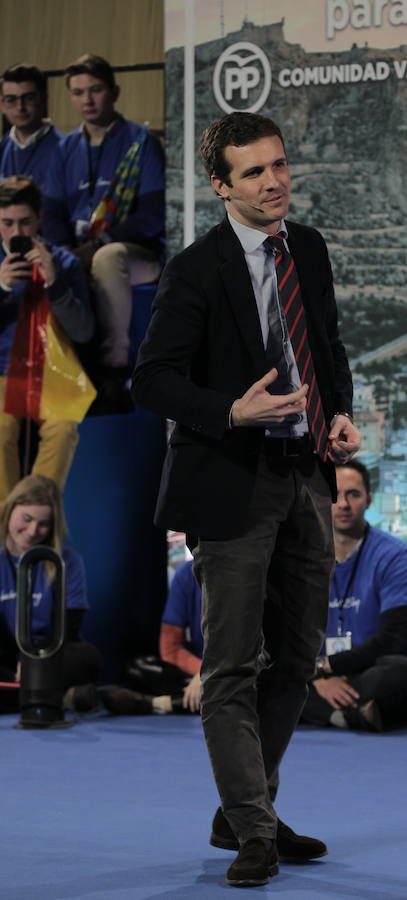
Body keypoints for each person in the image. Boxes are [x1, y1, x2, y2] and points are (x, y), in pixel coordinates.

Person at [132, 111, 361, 887]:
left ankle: (243, 810)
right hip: (229, 481)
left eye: (280, 165)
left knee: (297, 659)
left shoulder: (311, 249)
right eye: (255, 172)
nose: (275, 182)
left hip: (304, 474)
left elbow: (327, 347)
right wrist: (234, 410)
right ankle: (256, 830)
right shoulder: (197, 270)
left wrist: (340, 412)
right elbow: (152, 379)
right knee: (233, 665)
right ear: (222, 187)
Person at [43, 54, 165, 412]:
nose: (87, 100)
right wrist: (66, 251)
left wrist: (99, 244)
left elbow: (152, 215)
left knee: (107, 258)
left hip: (134, 254)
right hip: (77, 249)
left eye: (95, 90)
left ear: (114, 91)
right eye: (78, 92)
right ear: (70, 97)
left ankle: (114, 370)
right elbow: (50, 213)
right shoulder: (62, 149)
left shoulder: (141, 143)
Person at [300, 460, 407, 731]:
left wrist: (324, 667)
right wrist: (318, 680)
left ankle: (330, 711)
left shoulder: (393, 554)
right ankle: (350, 714)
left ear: (369, 500)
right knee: (264, 675)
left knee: (402, 672)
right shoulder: (303, 558)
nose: (343, 504)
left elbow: (395, 640)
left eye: (353, 494)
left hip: (374, 671)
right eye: (335, 495)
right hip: (323, 674)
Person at [0, 175, 94, 501]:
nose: (16, 233)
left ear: (39, 219)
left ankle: (34, 517)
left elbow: (83, 332)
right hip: (3, 373)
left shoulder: (63, 262)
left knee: (64, 430)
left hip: (53, 373)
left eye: (25, 222)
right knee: (0, 431)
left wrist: (55, 285)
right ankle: (6, 532)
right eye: (7, 223)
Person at [0, 474, 101, 713]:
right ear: (10, 510)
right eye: (26, 519)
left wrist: (35, 663)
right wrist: (18, 663)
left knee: (88, 657)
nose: (33, 531)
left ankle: (26, 694)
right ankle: (57, 698)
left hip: (52, 656)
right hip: (7, 660)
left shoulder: (67, 560)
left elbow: (70, 626)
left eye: (43, 524)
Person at [102, 559, 203, 714]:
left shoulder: (247, 575)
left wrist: (210, 674)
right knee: (137, 667)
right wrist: (202, 671)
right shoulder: (185, 574)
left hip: (236, 670)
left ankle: (161, 704)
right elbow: (170, 647)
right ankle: (205, 694)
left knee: (241, 681)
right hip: (197, 671)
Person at [0, 64, 63, 194]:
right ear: (2, 104)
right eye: (11, 100)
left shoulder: (65, 149)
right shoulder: (2, 148)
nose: (20, 107)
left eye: (28, 98)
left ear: (43, 99)